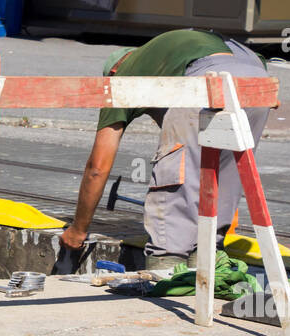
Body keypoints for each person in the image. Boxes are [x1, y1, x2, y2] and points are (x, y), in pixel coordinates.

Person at [58, 30, 272, 271]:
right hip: (258, 83)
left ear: (113, 73)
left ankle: (167, 266)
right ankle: (208, 262)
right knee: (226, 173)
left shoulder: (122, 78)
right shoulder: (167, 55)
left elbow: (98, 167)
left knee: (174, 174)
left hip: (205, 83)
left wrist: (78, 230)